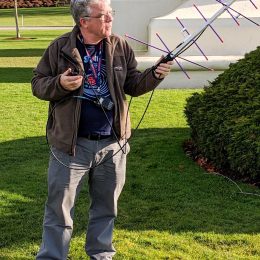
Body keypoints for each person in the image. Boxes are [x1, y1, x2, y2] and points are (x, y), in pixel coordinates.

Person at [31, 0, 173, 259]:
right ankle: (52, 255)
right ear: (84, 21)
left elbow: (133, 84)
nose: (110, 19)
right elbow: (38, 85)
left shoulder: (120, 46)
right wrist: (61, 83)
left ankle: (101, 255)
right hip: (71, 145)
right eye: (104, 15)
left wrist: (155, 74)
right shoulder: (59, 47)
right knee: (59, 210)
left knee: (107, 207)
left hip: (113, 145)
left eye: (111, 14)